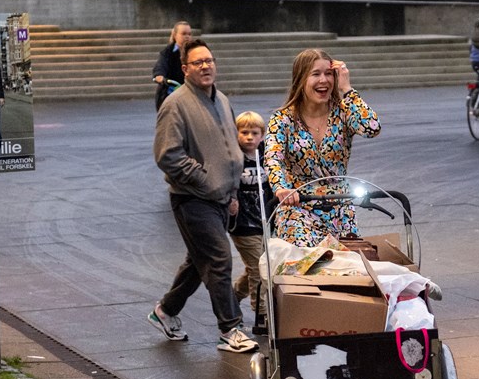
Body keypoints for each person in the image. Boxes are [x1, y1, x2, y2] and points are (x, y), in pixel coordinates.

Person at [148, 38, 258, 354]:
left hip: (223, 197)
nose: (206, 66)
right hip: (193, 199)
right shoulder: (175, 105)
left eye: (209, 60)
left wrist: (232, 189)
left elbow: (231, 147)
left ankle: (166, 311)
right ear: (185, 69)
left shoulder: (221, 99)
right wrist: (205, 179)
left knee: (199, 263)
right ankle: (231, 329)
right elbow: (167, 155)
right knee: (219, 259)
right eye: (198, 62)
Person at [264, 49, 381, 247]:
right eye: (316, 74)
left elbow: (372, 128)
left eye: (328, 74)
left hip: (340, 207)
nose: (324, 80)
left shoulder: (343, 112)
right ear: (301, 79)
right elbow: (272, 158)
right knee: (308, 264)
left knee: (347, 270)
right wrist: (281, 188)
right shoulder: (283, 119)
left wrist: (347, 89)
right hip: (298, 206)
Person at [228, 111, 271, 333]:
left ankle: (232, 298)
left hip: (263, 220)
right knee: (257, 269)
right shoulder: (234, 158)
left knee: (257, 267)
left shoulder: (265, 156)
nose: (249, 137)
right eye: (244, 132)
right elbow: (224, 181)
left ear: (262, 136)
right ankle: (261, 314)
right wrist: (230, 198)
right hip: (242, 224)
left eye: (254, 133)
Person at [152, 21, 192, 111]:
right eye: (183, 34)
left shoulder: (194, 52)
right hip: (171, 89)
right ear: (175, 35)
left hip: (189, 89)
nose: (187, 37)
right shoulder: (167, 52)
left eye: (189, 34)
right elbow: (161, 64)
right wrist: (160, 76)